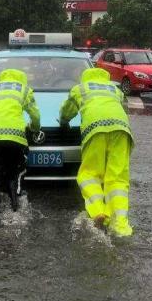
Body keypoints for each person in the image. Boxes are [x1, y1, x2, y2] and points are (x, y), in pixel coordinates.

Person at [59, 67, 135, 237]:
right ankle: (121, 226)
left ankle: (98, 211)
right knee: (118, 180)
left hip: (95, 130)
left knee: (90, 174)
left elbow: (67, 112)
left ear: (85, 77)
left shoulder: (81, 88)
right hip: (122, 130)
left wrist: (63, 122)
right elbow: (123, 110)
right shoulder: (115, 89)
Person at [0, 68, 41, 223]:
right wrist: (35, 128)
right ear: (22, 79)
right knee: (15, 172)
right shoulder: (25, 90)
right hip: (16, 137)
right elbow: (35, 114)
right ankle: (15, 208)